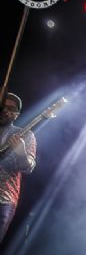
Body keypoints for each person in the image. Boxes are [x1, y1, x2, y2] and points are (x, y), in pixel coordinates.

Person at [0, 93, 36, 244]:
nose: (5, 111)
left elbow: (29, 167)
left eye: (11, 109)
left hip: (3, 199)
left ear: (17, 114)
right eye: (3, 107)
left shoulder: (25, 135)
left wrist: (21, 152)